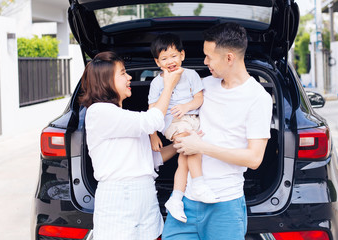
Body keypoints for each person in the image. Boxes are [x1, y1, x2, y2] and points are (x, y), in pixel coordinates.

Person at [162, 22, 273, 240]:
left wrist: (201, 147)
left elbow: (254, 158)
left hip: (225, 205)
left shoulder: (258, 98)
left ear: (229, 57)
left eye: (209, 57)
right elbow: (167, 106)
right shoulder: (203, 86)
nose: (204, 62)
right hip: (184, 201)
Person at [80, 51, 179, 240]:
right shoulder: (99, 112)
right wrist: (168, 86)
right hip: (120, 198)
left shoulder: (122, 115)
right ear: (106, 81)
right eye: (123, 73)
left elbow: (151, 159)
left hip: (145, 195)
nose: (129, 77)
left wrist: (178, 145)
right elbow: (151, 121)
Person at [148, 33, 219, 223]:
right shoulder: (156, 83)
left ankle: (176, 198)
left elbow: (199, 98)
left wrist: (186, 106)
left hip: (193, 119)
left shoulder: (191, 75)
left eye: (173, 56)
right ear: (157, 62)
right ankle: (199, 184)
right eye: (164, 58)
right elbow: (151, 110)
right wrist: (153, 134)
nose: (170, 61)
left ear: (182, 55)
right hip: (172, 123)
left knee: (185, 156)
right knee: (191, 145)